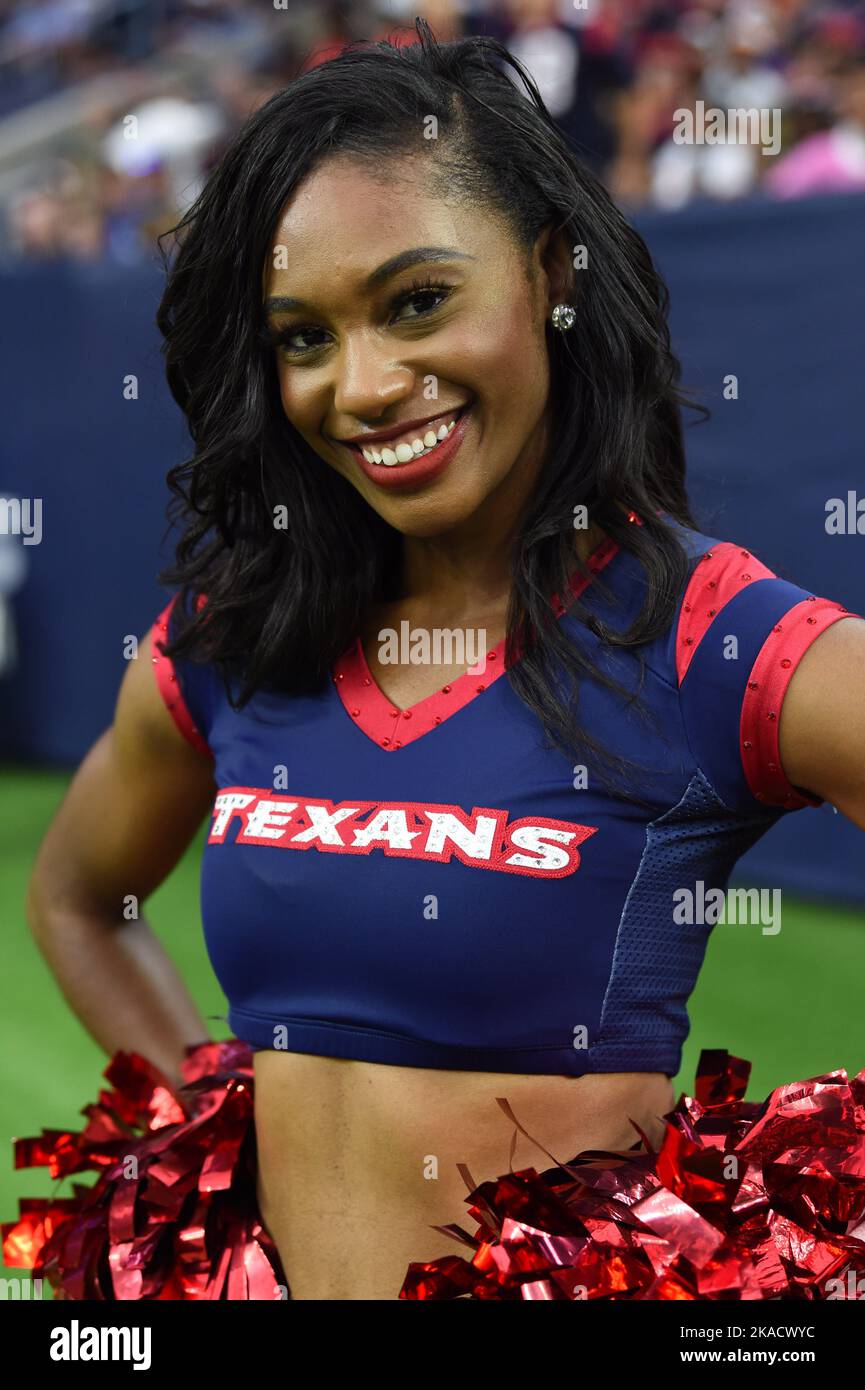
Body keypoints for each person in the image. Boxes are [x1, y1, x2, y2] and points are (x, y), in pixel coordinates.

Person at [17, 18, 865, 1300]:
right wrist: (197, 1140)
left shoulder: (708, 638)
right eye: (302, 337)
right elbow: (80, 898)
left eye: (419, 301)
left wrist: (789, 1237)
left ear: (547, 272)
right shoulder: (238, 634)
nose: (360, 384)